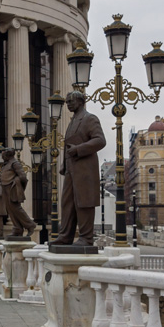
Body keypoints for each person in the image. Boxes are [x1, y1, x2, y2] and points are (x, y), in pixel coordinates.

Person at [51, 90, 106, 247]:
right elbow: (68, 145)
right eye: (67, 101)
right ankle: (66, 235)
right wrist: (63, 163)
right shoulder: (72, 121)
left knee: (84, 202)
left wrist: (78, 149)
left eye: (71, 101)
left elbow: (100, 140)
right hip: (71, 169)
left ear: (81, 102)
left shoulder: (89, 119)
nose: (68, 104)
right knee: (67, 203)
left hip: (84, 169)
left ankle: (86, 238)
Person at [0, 148, 37, 238]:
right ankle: (17, 228)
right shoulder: (7, 164)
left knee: (16, 208)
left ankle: (30, 224)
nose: (2, 157)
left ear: (7, 155)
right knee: (10, 209)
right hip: (5, 188)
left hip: (12, 189)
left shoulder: (15, 163)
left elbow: (23, 177)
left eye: (3, 155)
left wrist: (19, 187)